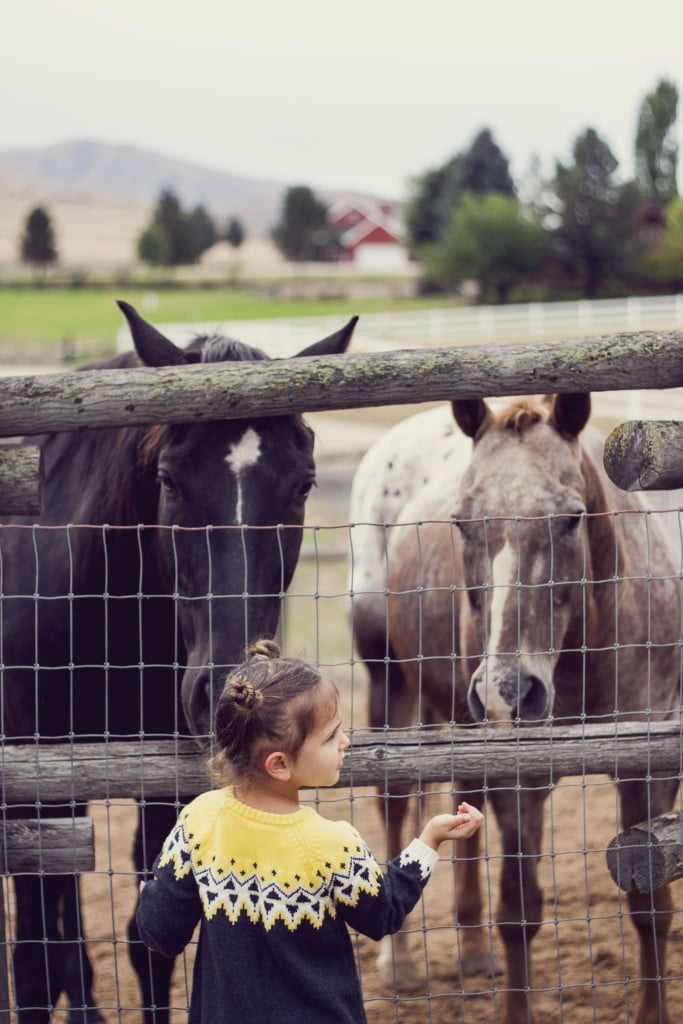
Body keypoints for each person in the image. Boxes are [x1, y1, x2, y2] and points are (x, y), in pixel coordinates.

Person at [136, 639, 483, 1024]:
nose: (345, 741)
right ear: (280, 764)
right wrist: (429, 840)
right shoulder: (331, 844)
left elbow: (162, 931)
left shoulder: (200, 820)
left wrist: (150, 896)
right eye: (332, 736)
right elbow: (383, 914)